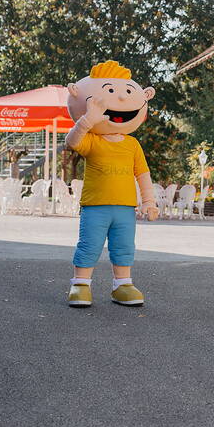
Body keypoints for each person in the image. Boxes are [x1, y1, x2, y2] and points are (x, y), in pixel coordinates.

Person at [64, 60, 159, 308]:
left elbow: (143, 174)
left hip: (126, 207)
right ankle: (80, 284)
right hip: (96, 205)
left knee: (125, 246)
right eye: (110, 92)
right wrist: (87, 120)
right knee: (89, 245)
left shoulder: (132, 144)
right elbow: (72, 142)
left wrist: (149, 201)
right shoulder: (92, 139)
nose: (120, 99)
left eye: (127, 93)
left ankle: (122, 284)